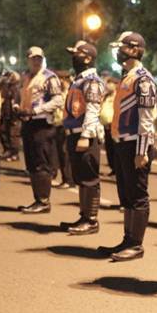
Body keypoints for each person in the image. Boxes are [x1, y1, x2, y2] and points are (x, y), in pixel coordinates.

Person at [97, 32, 157, 262]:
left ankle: (136, 245)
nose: (119, 51)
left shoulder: (143, 79)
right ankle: (127, 239)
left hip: (136, 144)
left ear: (134, 49)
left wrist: (142, 151)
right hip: (123, 141)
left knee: (137, 195)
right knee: (126, 194)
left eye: (123, 47)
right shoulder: (127, 76)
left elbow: (146, 119)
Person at [60, 40, 106, 236]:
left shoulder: (92, 81)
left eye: (76, 54)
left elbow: (93, 110)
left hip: (84, 135)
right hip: (75, 133)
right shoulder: (78, 79)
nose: (73, 57)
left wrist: (85, 136)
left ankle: (91, 220)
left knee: (89, 179)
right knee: (81, 178)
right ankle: (84, 215)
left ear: (88, 58)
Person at [16, 46, 64, 214]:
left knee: (41, 164)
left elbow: (58, 100)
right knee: (32, 164)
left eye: (39, 58)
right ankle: (38, 199)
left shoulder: (49, 77)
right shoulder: (26, 77)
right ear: (28, 59)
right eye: (33, 58)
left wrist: (36, 110)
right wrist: (18, 107)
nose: (36, 61)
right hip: (28, 123)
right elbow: (21, 97)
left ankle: (44, 201)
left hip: (42, 124)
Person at [52, 71, 74, 190]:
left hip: (66, 126)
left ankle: (69, 179)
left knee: (65, 154)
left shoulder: (70, 93)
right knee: (59, 153)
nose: (60, 82)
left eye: (62, 79)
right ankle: (65, 178)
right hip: (57, 125)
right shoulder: (58, 93)